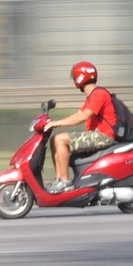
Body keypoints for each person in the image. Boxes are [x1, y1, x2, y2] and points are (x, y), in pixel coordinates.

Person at [43, 61, 117, 193]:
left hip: (103, 136)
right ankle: (59, 180)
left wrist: (57, 124)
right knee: (55, 139)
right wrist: (55, 122)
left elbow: (83, 117)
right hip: (97, 134)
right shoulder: (92, 96)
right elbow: (78, 114)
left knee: (60, 140)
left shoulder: (99, 94)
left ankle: (65, 182)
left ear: (80, 78)